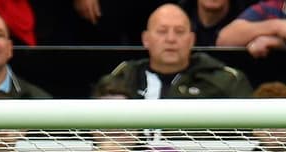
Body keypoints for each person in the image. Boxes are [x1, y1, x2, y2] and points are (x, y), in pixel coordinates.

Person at [97, 4, 253, 99]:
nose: (171, 39)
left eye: (179, 31)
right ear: (146, 39)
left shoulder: (226, 80)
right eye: (162, 31)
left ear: (191, 40)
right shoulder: (124, 76)